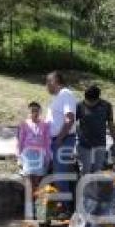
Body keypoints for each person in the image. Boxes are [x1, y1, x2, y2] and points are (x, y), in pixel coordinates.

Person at [45, 71, 78, 212]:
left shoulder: (66, 94)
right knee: (58, 176)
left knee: (61, 176)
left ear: (56, 81)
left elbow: (69, 119)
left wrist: (59, 139)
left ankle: (66, 210)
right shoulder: (59, 97)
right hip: (58, 141)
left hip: (63, 141)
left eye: (48, 82)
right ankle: (62, 208)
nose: (46, 85)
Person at [76, 85, 115, 175]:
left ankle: (94, 188)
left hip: (100, 143)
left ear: (97, 99)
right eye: (87, 100)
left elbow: (111, 123)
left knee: (97, 170)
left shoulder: (106, 106)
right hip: (84, 144)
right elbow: (71, 123)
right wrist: (78, 133)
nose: (88, 103)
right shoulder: (79, 105)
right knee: (86, 169)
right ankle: (81, 187)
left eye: (91, 102)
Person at [17, 101, 52, 203]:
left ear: (40, 111)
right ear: (29, 112)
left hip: (40, 155)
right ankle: (29, 206)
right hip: (27, 155)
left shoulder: (45, 125)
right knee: (28, 181)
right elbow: (20, 141)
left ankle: (36, 206)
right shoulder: (24, 124)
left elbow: (47, 141)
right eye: (32, 111)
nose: (34, 113)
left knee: (37, 182)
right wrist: (19, 157)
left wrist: (48, 157)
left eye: (36, 111)